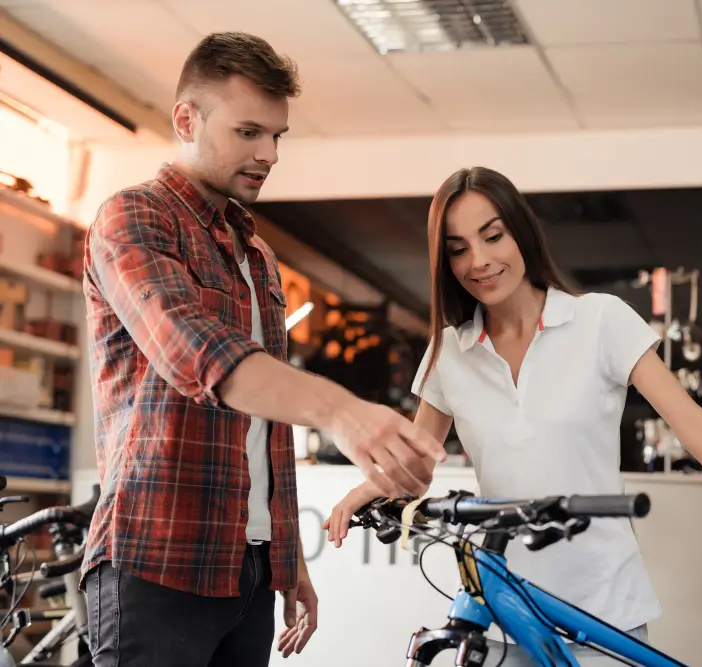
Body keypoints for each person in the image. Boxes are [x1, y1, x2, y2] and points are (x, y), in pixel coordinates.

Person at [322, 166, 702, 665]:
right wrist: (362, 491)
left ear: (521, 234)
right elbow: (417, 461)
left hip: (604, 607)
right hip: (504, 609)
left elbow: (691, 422)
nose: (480, 262)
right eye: (458, 249)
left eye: (493, 236)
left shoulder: (598, 320)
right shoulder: (450, 352)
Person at [81, 32, 444, 667]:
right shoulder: (133, 219)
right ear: (186, 119)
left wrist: (289, 559)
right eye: (249, 132)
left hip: (248, 571)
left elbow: (266, 430)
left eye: (277, 136)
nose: (269, 153)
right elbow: (199, 355)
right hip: (156, 558)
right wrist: (343, 412)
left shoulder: (260, 258)